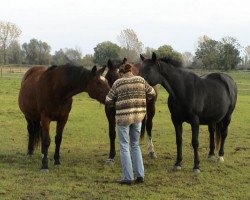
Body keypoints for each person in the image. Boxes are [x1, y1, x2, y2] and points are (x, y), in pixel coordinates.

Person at [105, 63, 156, 185]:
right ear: (132, 71)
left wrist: (115, 104)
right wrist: (143, 101)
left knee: (124, 146)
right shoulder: (141, 80)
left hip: (123, 119)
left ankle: (127, 177)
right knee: (135, 145)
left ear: (122, 72)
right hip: (138, 117)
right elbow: (152, 93)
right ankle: (140, 175)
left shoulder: (118, 83)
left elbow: (108, 100)